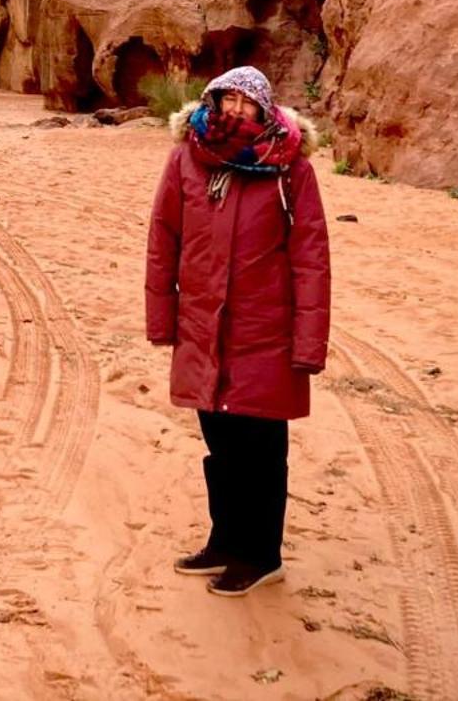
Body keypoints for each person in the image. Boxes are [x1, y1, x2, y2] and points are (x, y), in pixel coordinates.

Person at [144, 64, 330, 597]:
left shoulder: (290, 167)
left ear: (264, 109)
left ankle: (262, 554)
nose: (233, 111)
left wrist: (309, 342)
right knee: (219, 443)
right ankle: (225, 541)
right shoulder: (187, 158)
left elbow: (311, 257)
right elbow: (165, 239)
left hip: (264, 330)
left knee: (261, 449)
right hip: (204, 328)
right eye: (225, 99)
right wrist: (164, 320)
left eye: (245, 103)